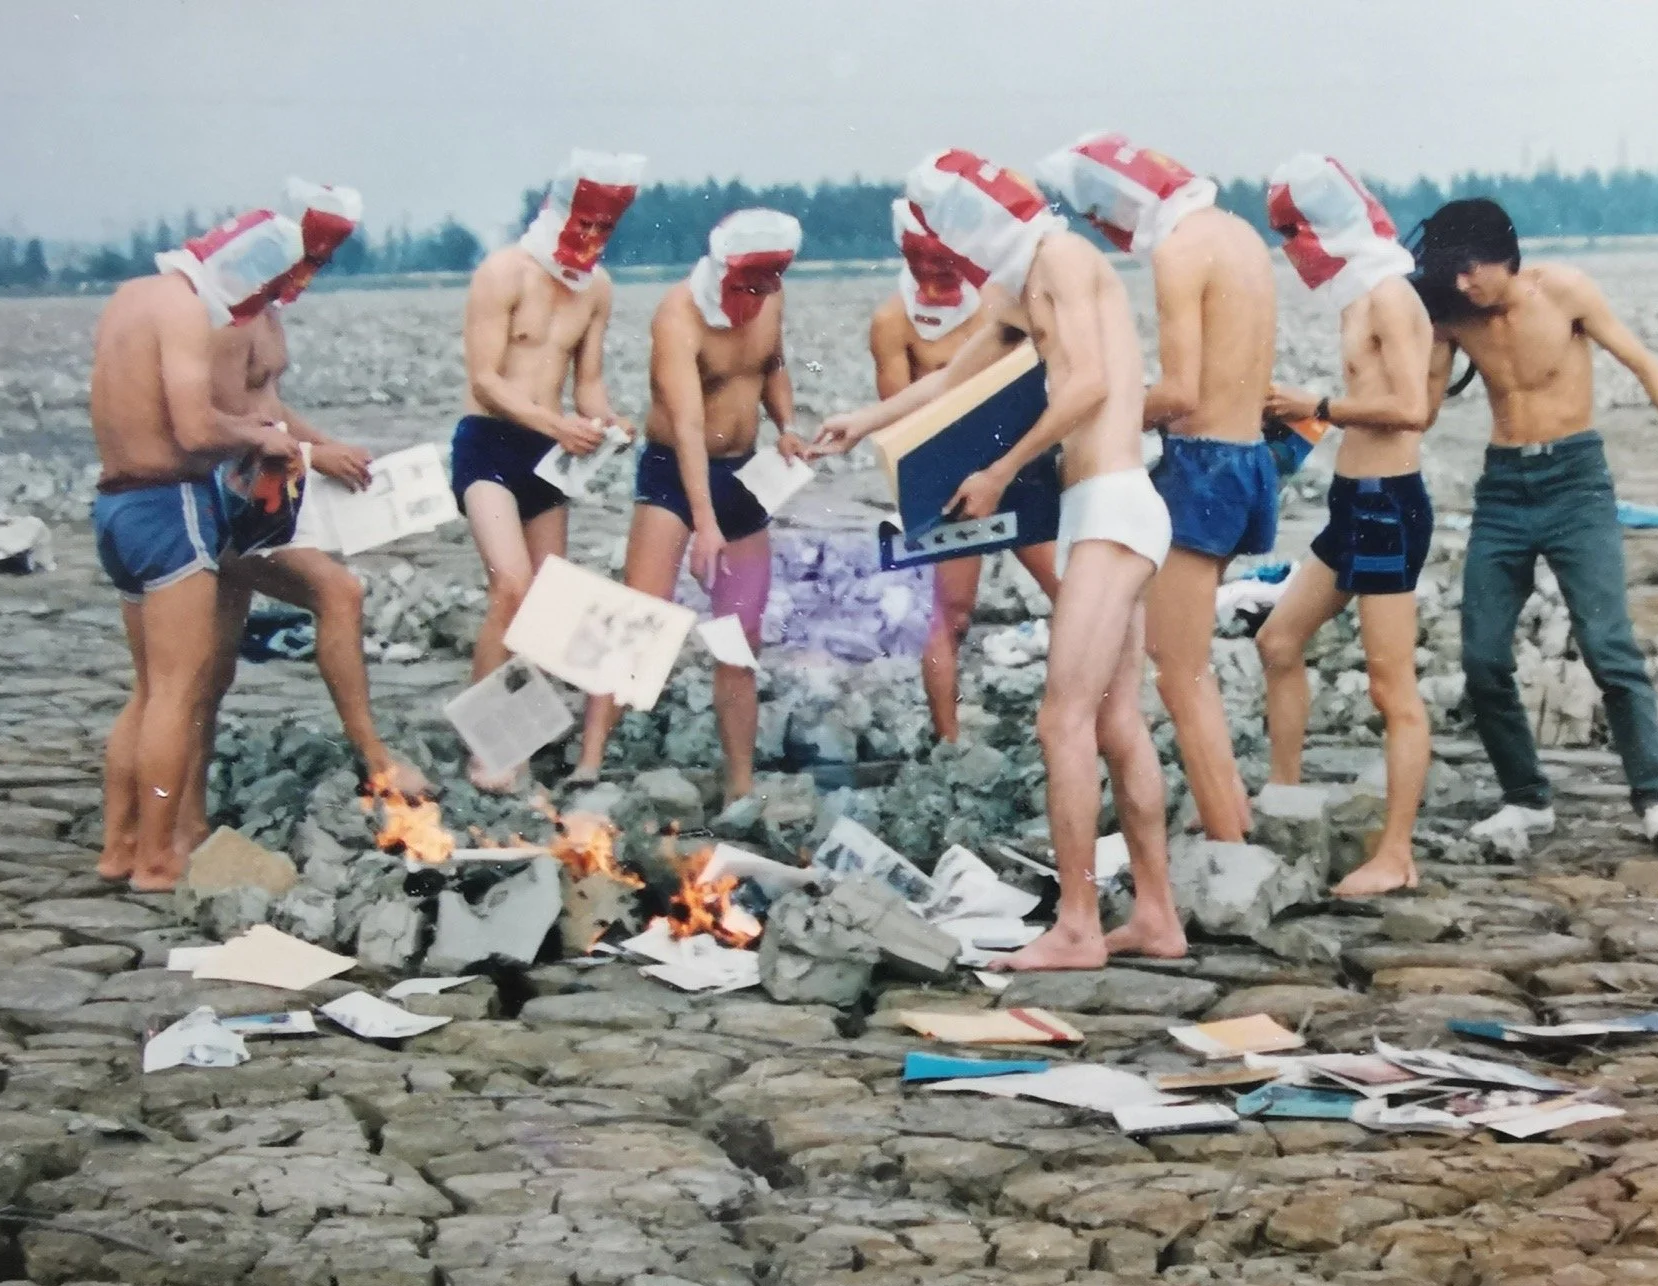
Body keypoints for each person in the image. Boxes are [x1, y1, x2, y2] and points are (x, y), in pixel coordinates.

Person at [814, 152, 1185, 970]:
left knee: (1063, 721)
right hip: (1112, 507)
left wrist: (996, 470)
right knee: (1116, 722)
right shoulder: (1031, 279)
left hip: (1113, 504)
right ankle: (1156, 916)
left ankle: (1079, 926)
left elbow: (1084, 385)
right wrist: (865, 418)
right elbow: (954, 375)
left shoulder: (1058, 263)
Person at [1414, 198, 1658, 849]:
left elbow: (1644, 365)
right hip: (1502, 488)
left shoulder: (1563, 292)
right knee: (1480, 655)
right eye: (1450, 271)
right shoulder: (1449, 313)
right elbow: (1418, 412)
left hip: (1575, 482)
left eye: (1471, 269)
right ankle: (1525, 798)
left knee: (1606, 644)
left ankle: (1655, 798)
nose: (1461, 283)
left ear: (1504, 257)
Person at [1036, 135, 1277, 842]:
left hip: (1200, 465)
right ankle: (1227, 812)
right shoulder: (1237, 234)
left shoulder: (1177, 251)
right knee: (1189, 661)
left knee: (1178, 672)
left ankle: (1230, 844)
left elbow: (1178, 391)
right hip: (1249, 461)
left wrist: (1095, 420)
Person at [88, 210, 304, 891]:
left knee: (147, 689)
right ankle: (158, 858)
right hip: (168, 502)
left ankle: (118, 847)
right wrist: (260, 437)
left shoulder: (131, 297)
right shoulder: (185, 312)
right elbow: (190, 427)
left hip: (115, 506)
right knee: (179, 692)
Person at [202, 181, 431, 818]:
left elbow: (266, 407)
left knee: (215, 664)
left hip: (256, 497)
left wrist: (328, 445)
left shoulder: (263, 307)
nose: (310, 273)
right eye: (307, 258)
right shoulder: (228, 317)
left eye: (321, 263)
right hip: (220, 503)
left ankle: (185, 793)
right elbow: (215, 423)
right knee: (339, 591)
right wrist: (309, 458)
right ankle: (375, 759)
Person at [1251, 155, 1436, 897]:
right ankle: (1284, 799)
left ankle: (1396, 853)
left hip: (1389, 502)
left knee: (1392, 690)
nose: (1293, 248)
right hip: (1351, 501)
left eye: (1296, 231)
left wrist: (1318, 402)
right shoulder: (1358, 299)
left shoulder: (1390, 298)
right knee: (1276, 639)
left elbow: (1410, 408)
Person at [575, 210, 807, 799]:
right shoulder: (678, 315)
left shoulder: (771, 304)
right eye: (746, 287)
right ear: (722, 272)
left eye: (765, 288)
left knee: (740, 635)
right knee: (641, 615)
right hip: (675, 474)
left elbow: (773, 365)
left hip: (744, 476)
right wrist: (704, 524)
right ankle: (591, 757)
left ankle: (739, 783)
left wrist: (785, 425)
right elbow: (687, 421)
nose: (755, 299)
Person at [454, 150, 644, 790]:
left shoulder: (598, 288)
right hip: (489, 443)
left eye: (602, 230)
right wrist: (553, 421)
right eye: (582, 226)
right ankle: (486, 746)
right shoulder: (504, 272)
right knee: (509, 584)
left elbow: (586, 383)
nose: (591, 241)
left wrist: (607, 421)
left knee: (541, 602)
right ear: (556, 214)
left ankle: (516, 741)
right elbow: (484, 381)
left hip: (547, 456)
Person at [871, 199, 1060, 742]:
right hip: (951, 479)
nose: (937, 277)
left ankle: (1077, 715)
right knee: (951, 614)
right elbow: (902, 420)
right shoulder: (891, 321)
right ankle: (949, 740)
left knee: (1070, 589)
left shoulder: (995, 305)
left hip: (1017, 462)